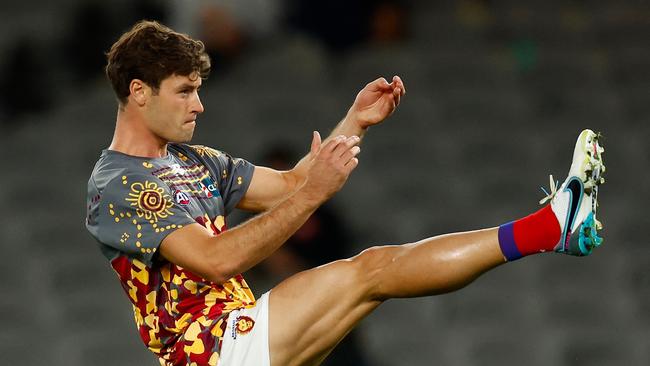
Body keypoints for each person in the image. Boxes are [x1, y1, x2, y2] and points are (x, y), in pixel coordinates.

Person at [85, 20, 606, 366]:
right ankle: (551, 228)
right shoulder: (118, 184)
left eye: (197, 90)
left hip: (239, 333)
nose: (198, 105)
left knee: (373, 271)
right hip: (212, 353)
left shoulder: (193, 160)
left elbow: (293, 182)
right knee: (371, 272)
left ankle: (552, 228)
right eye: (184, 90)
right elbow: (217, 260)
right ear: (138, 92)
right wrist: (311, 195)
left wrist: (355, 123)